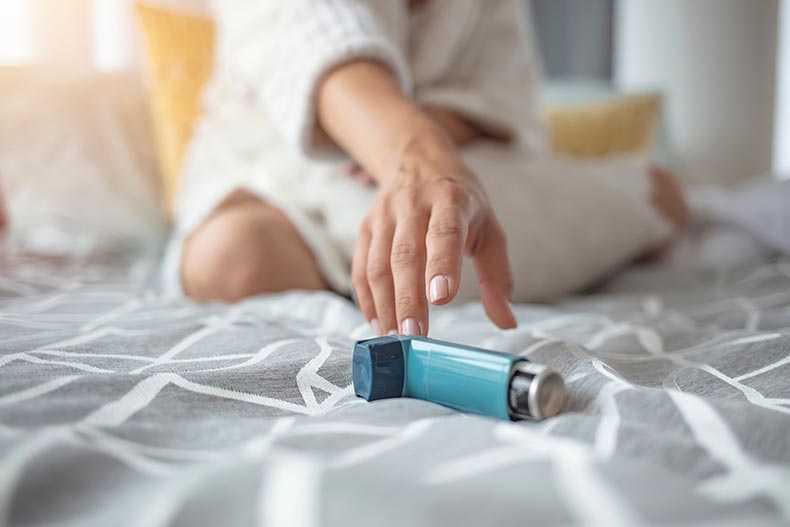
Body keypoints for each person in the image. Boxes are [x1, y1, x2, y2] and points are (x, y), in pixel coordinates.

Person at [163, 0, 687, 337]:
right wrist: (413, 155)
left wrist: (436, 133)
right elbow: (318, 42)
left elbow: (505, 99)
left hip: (459, 165)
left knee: (655, 197)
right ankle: (358, 271)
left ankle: (640, 189)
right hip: (276, 173)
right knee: (232, 258)